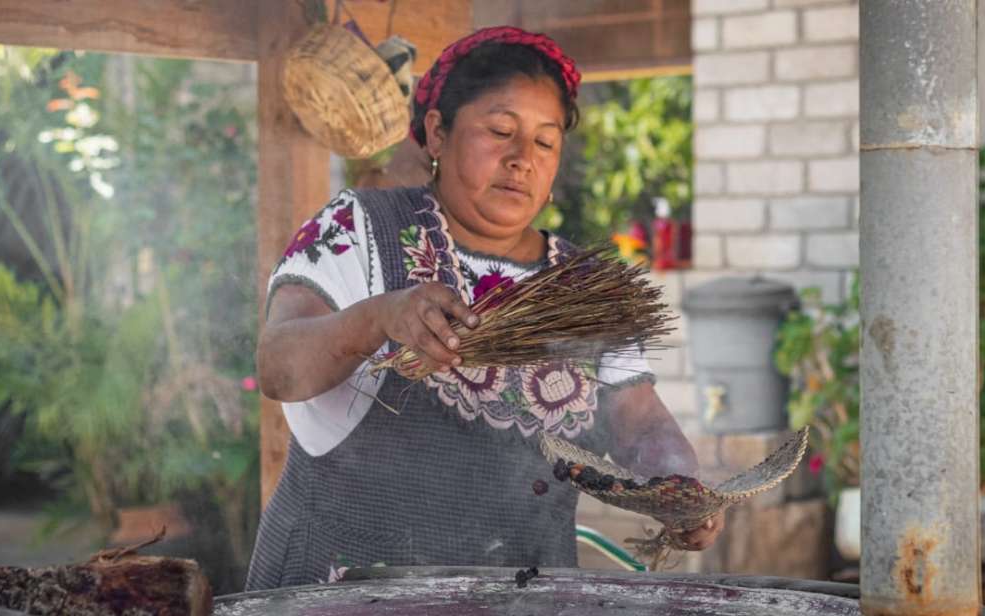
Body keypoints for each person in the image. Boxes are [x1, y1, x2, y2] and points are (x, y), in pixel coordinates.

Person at [246, 26, 722, 590]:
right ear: (437, 133)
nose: (523, 159)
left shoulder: (587, 286)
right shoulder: (361, 228)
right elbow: (278, 366)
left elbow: (639, 421)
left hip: (525, 597)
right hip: (343, 591)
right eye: (500, 131)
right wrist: (379, 317)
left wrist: (677, 481)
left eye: (545, 143)